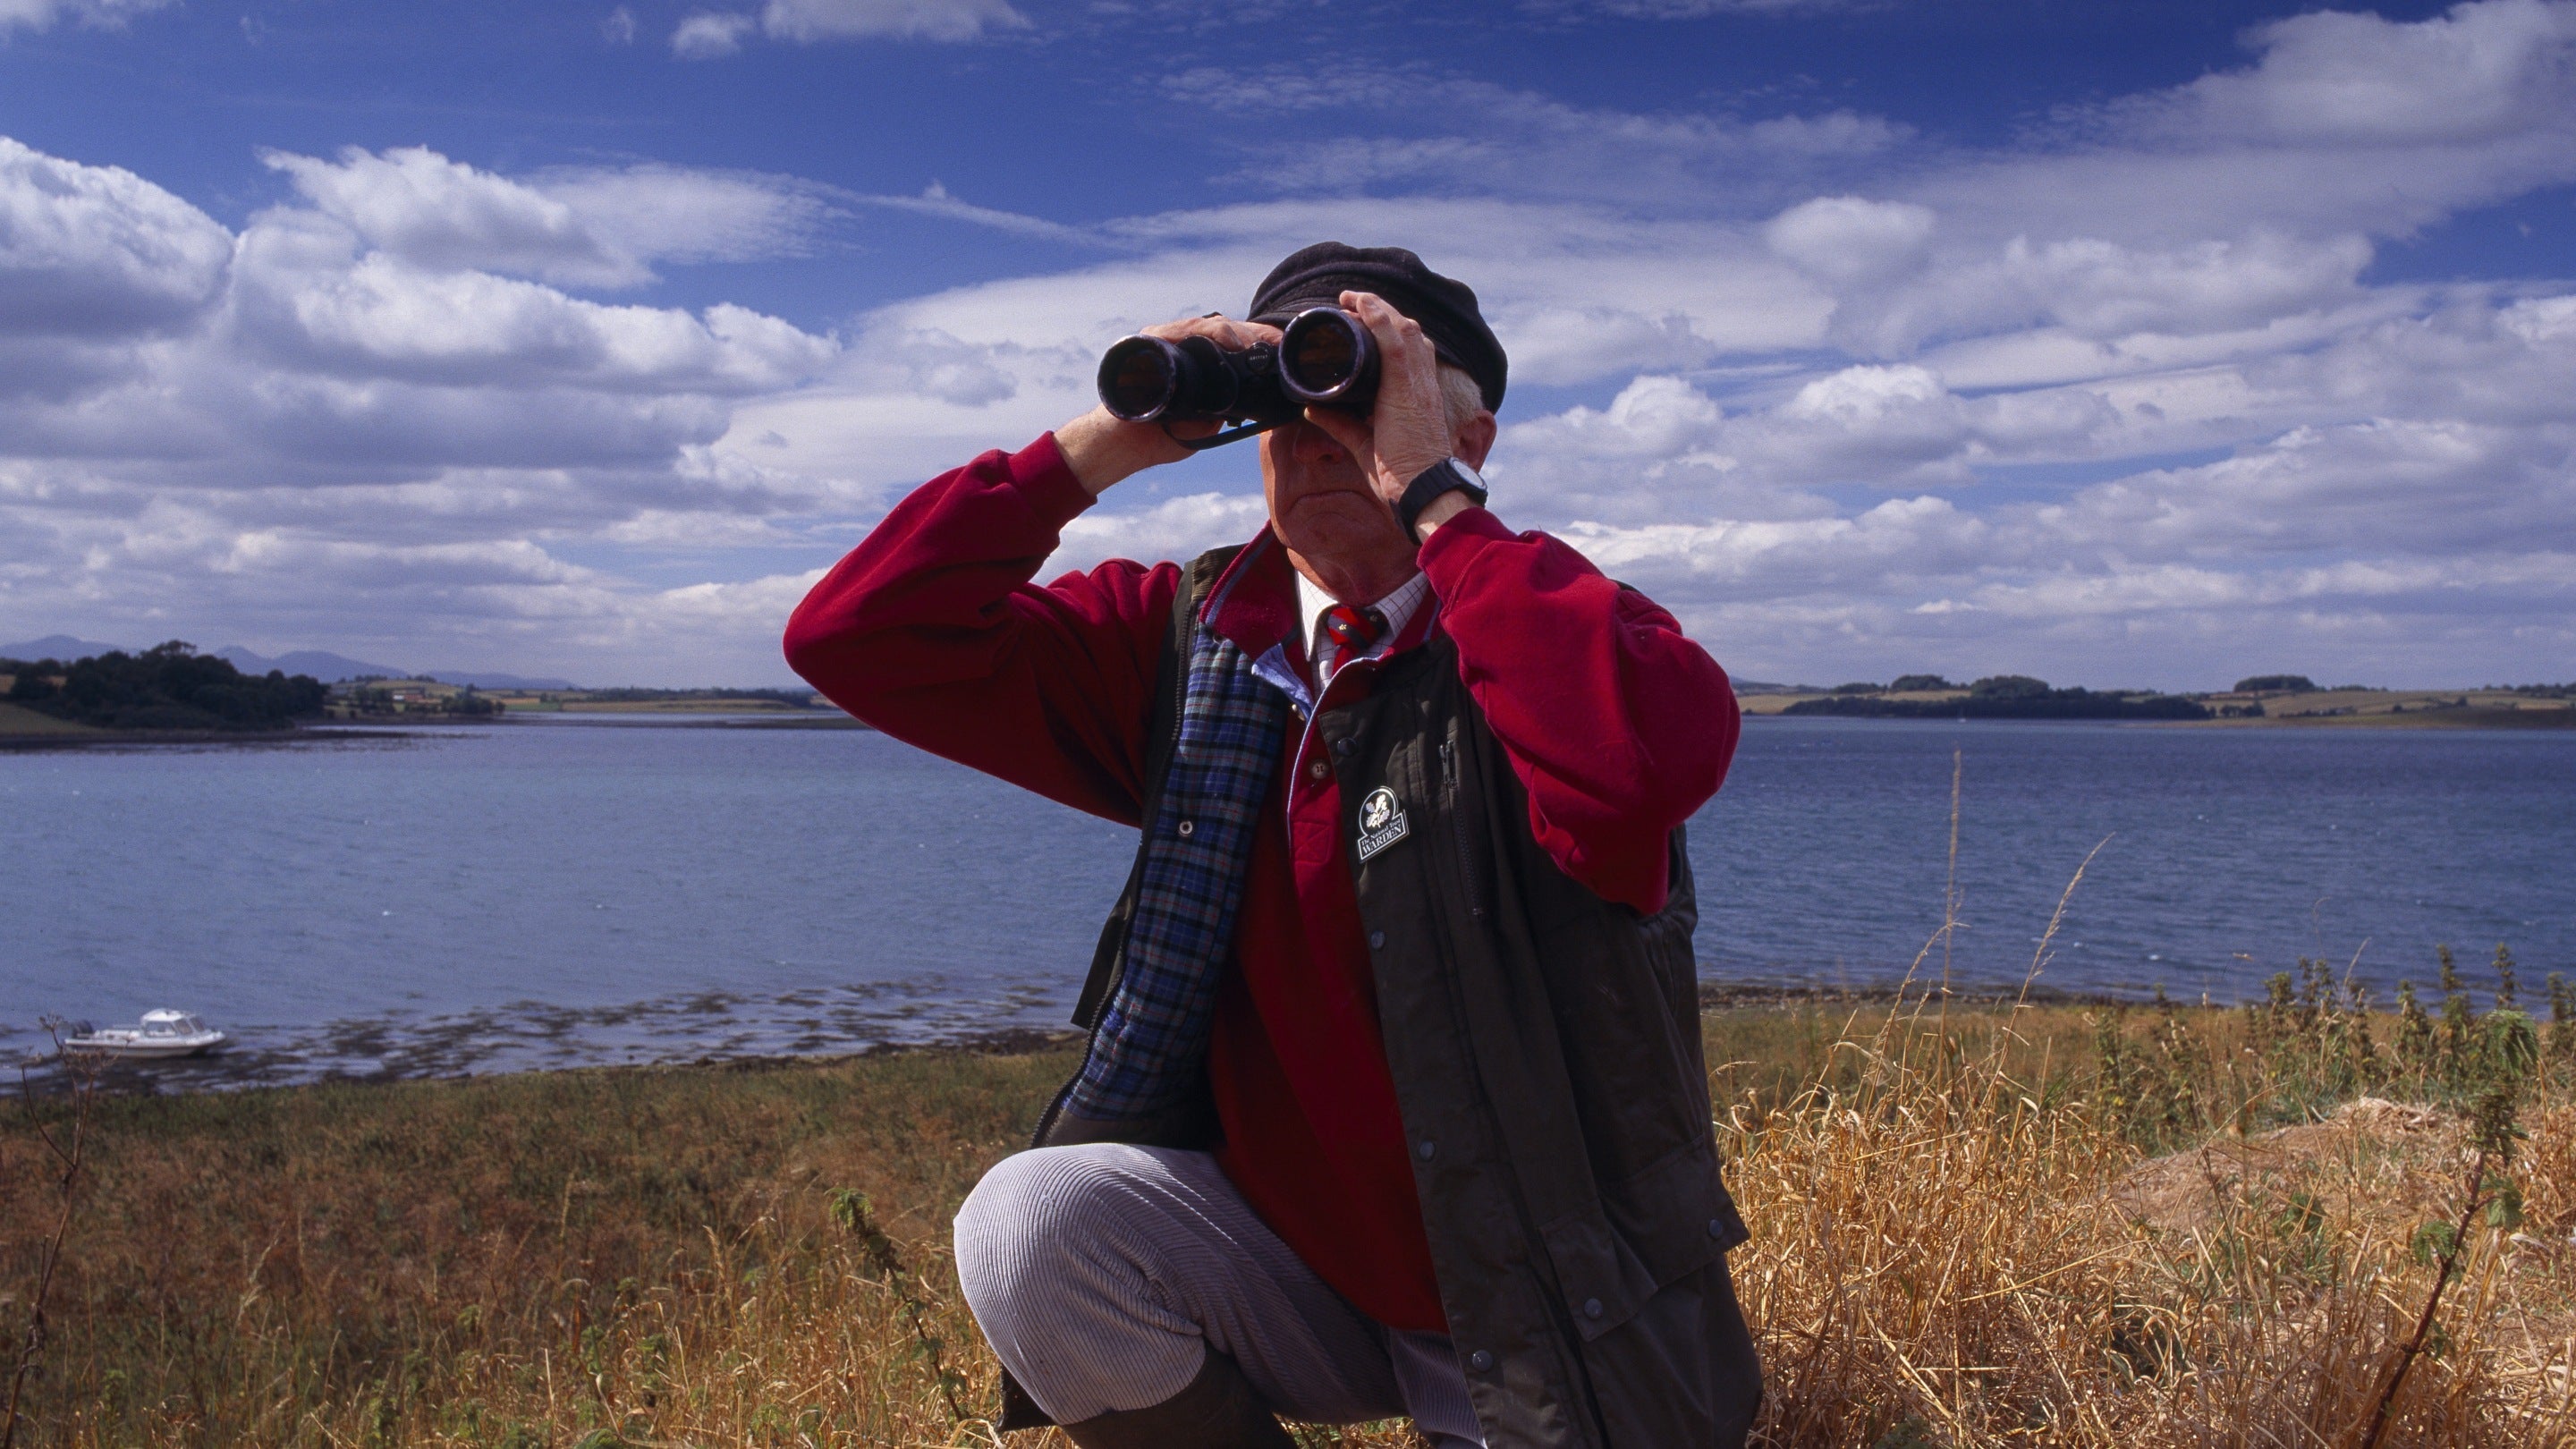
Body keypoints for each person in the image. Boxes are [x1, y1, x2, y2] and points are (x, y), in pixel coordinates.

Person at [783, 243, 1760, 1449]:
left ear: (1474, 435)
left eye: (1364, 389)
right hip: (1298, 1273)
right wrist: (1108, 440)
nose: (1322, 433)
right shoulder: (1193, 648)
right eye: (1288, 403)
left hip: (1545, 1299)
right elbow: (858, 636)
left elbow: (1640, 772)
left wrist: (1429, 494)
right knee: (1035, 1230)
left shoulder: (1538, 641)